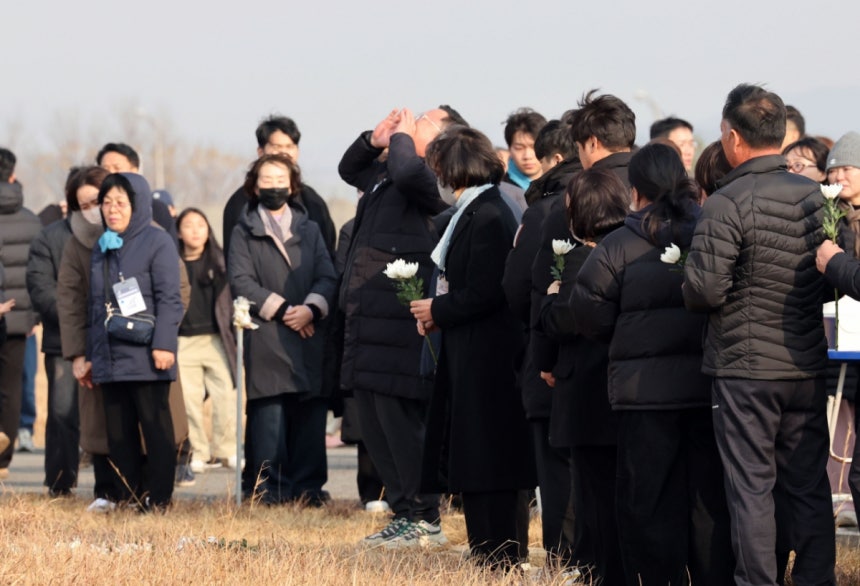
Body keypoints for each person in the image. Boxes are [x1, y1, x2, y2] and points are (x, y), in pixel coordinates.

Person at [683, 84, 834, 584]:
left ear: (732, 137)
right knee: (808, 485)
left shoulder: (726, 202)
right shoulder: (815, 196)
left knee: (750, 488)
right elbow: (836, 272)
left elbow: (703, 291)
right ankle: (816, 576)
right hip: (807, 362)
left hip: (745, 369)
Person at [572, 143, 734, 584]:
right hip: (707, 389)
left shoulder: (617, 245)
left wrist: (626, 334)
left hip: (643, 396)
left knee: (647, 500)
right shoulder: (710, 231)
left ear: (636, 189)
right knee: (706, 500)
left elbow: (587, 312)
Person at [337, 106, 466, 547]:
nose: (412, 126)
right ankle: (403, 510)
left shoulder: (436, 174)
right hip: (369, 318)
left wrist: (401, 141)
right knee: (373, 418)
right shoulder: (391, 168)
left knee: (401, 419)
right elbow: (348, 169)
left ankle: (424, 515)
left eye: (424, 120)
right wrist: (374, 140)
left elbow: (412, 175)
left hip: (401, 318)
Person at [410, 125, 535, 567]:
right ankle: (488, 549)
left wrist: (437, 311)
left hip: (490, 358)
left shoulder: (488, 214)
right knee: (478, 458)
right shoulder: (477, 209)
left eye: (440, 169)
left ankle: (500, 554)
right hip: (472, 353)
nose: (437, 179)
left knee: (492, 459)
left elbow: (487, 290)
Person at [534, 168, 628, 584]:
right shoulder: (633, 248)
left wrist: (550, 304)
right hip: (622, 391)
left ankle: (598, 571)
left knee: (593, 493)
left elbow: (571, 317)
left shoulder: (585, 258)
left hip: (587, 393)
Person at [228, 154, 336, 506]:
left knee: (309, 414)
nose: (273, 185)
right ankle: (269, 489)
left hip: (308, 331)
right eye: (266, 178)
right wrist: (286, 310)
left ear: (292, 185)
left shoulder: (310, 227)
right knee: (268, 417)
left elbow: (327, 274)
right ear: (254, 185)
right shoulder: (244, 230)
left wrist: (310, 309)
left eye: (280, 179)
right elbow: (241, 280)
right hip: (268, 333)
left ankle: (308, 490)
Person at [502, 116, 582, 568]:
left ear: (554, 158)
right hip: (610, 365)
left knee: (556, 469)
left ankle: (562, 560)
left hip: (549, 359)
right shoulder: (622, 197)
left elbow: (515, 287)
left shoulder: (544, 209)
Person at [88, 172, 183, 511]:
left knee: (156, 430)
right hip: (111, 358)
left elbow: (171, 298)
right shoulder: (102, 247)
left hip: (147, 354)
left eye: (121, 203)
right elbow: (96, 306)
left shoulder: (158, 242)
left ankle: (159, 499)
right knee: (119, 434)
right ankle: (127, 496)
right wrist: (91, 355)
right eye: (107, 202)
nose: (112, 210)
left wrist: (164, 345)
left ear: (138, 205)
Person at [26, 168, 82, 495]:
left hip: (111, 337)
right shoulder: (50, 237)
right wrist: (74, 317)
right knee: (62, 413)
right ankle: (61, 482)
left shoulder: (114, 233)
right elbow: (41, 287)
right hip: (63, 338)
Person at [223, 115, 336, 261]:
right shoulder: (240, 201)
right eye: (277, 147)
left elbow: (327, 253)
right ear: (260, 152)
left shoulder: (312, 200)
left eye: (290, 146)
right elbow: (234, 261)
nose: (284, 153)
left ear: (297, 151)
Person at [175, 208, 237, 473]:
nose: (196, 230)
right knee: (189, 400)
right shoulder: (172, 262)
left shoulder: (220, 263)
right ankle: (198, 451)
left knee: (226, 395)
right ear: (178, 231)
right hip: (184, 342)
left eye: (201, 224)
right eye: (189, 225)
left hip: (215, 340)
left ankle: (227, 450)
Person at [0, 147, 42, 477]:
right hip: (17, 319)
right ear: (13, 175)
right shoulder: (31, 220)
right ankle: (3, 459)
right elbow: (39, 274)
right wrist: (33, 316)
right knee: (12, 388)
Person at [96, 143, 176, 241]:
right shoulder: (95, 209)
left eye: (117, 168)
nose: (111, 174)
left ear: (134, 171)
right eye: (105, 169)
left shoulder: (157, 209)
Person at [502, 108, 548, 190]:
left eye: (533, 147)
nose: (527, 156)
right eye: (519, 148)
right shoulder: (500, 191)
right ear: (509, 149)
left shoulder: (561, 185)